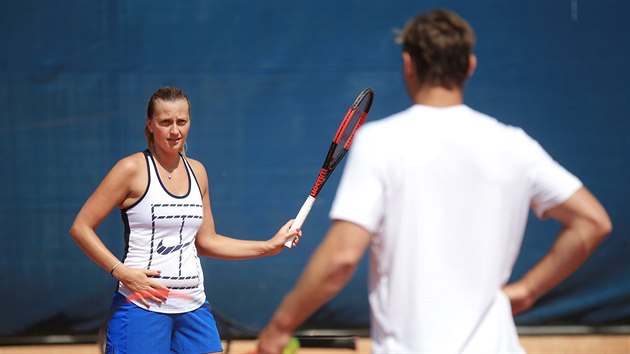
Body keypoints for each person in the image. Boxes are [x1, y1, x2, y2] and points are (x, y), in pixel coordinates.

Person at [257, 8, 612, 354]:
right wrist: (526, 291)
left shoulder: (381, 142)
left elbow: (341, 259)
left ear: (408, 64)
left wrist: (279, 328)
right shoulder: (516, 144)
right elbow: (592, 223)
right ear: (469, 66)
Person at [69, 86, 301, 354]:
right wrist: (121, 272)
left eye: (182, 121)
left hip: (193, 306)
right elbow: (81, 227)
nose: (174, 130)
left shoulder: (198, 172)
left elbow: (207, 241)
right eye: (165, 122)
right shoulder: (130, 169)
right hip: (141, 307)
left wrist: (268, 246)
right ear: (150, 124)